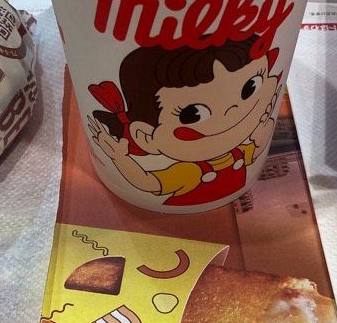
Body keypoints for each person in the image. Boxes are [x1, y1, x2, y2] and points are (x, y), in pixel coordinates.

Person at [87, 34, 280, 207]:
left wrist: (264, 126)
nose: (233, 110)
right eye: (193, 114)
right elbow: (148, 182)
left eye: (251, 87)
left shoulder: (238, 154)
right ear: (145, 135)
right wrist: (120, 159)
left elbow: (257, 148)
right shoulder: (190, 172)